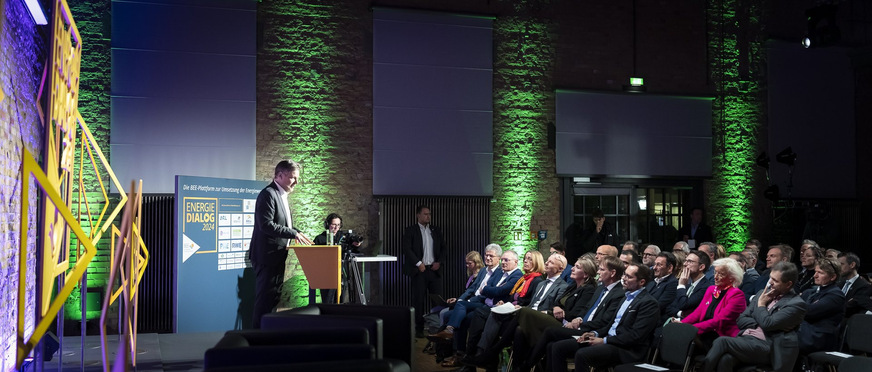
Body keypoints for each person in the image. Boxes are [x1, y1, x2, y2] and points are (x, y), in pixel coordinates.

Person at [547, 263, 660, 372]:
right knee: (557, 347)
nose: (624, 278)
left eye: (629, 277)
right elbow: (610, 325)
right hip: (609, 340)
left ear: (642, 282)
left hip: (626, 349)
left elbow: (635, 336)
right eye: (624, 274)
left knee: (582, 355)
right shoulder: (625, 297)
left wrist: (604, 340)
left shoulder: (649, 303)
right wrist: (594, 334)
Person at [700, 262, 807, 372]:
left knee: (722, 341)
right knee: (726, 359)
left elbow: (767, 324)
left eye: (775, 281)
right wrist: (759, 323)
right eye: (771, 278)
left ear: (788, 284)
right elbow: (741, 319)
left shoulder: (796, 304)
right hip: (746, 339)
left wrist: (761, 305)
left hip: (769, 347)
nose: (770, 283)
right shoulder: (762, 293)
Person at [249, 160, 314, 328]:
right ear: (280, 175)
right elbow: (266, 225)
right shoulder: (268, 194)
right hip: (266, 257)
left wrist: (297, 232)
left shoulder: (282, 195)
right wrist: (293, 233)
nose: (296, 182)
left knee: (273, 298)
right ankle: (257, 337)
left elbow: (285, 225)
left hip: (277, 255)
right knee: (264, 300)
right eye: (293, 178)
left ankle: (268, 333)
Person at [513, 256, 598, 369]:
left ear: (586, 274)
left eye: (577, 267)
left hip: (565, 323)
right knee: (520, 330)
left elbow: (575, 313)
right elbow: (556, 303)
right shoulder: (572, 286)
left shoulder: (588, 290)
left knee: (523, 311)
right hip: (556, 318)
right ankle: (517, 366)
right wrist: (556, 307)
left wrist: (559, 311)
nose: (572, 268)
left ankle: (525, 365)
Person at [677, 258, 747, 350]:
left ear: (732, 277)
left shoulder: (736, 295)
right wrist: (682, 324)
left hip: (721, 335)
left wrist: (691, 328)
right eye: (715, 272)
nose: (715, 277)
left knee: (686, 338)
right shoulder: (711, 289)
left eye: (721, 274)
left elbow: (719, 321)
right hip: (704, 331)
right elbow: (698, 313)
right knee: (676, 332)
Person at [402, 205, 445, 337]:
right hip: (419, 271)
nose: (428, 216)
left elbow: (444, 248)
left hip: (433, 270)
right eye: (425, 214)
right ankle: (419, 329)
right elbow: (407, 249)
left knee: (437, 300)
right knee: (418, 300)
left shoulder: (435, 230)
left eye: (429, 214)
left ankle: (436, 326)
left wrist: (439, 262)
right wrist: (418, 263)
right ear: (418, 215)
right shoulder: (411, 230)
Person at [798, 257, 845, 355]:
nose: (815, 275)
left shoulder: (836, 295)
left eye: (820, 273)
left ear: (832, 277)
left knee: (782, 338)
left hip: (819, 337)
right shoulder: (810, 292)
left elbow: (808, 312)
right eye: (815, 271)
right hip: (805, 331)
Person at [666, 250, 712, 318]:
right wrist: (681, 313)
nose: (685, 264)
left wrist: (681, 285)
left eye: (690, 261)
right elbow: (669, 308)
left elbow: (683, 305)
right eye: (685, 260)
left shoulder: (706, 287)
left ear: (701, 267)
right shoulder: (687, 284)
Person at [837, 252, 872, 318]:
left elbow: (852, 308)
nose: (838, 268)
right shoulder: (839, 284)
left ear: (852, 265)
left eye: (841, 264)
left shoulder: (864, 286)